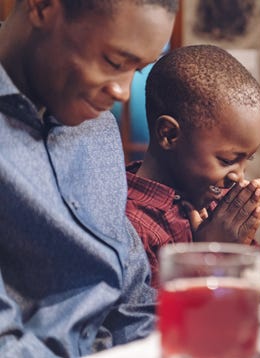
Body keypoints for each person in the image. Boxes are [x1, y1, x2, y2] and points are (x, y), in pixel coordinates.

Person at [0, 0, 178, 356]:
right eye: (113, 63)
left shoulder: (96, 128)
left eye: (137, 70)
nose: (123, 92)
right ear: (42, 7)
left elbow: (132, 301)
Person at [126, 44, 260, 287]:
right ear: (169, 134)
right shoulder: (133, 226)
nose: (239, 176)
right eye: (227, 160)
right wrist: (209, 255)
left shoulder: (213, 204)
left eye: (248, 159)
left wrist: (236, 247)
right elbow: (151, 317)